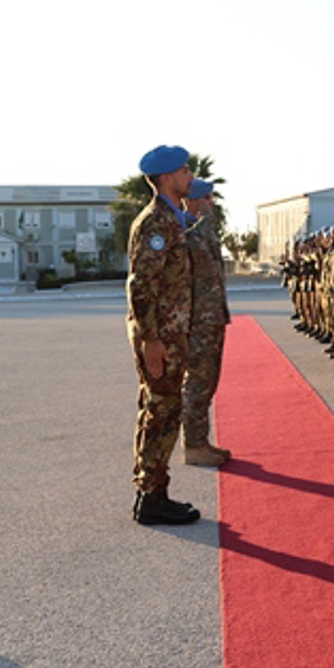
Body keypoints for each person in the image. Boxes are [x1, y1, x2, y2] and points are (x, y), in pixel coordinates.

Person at [126, 145, 202, 526]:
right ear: (167, 177)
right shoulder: (156, 222)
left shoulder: (172, 219)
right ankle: (152, 497)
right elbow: (141, 285)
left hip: (170, 332)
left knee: (163, 410)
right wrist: (150, 340)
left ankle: (154, 492)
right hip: (161, 335)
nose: (191, 175)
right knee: (160, 411)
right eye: (185, 170)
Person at [180, 178, 232, 466]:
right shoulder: (188, 232)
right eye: (208, 199)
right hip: (198, 320)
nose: (213, 204)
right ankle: (194, 445)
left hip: (211, 318)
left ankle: (201, 440)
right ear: (196, 200)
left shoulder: (204, 232)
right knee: (198, 383)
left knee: (208, 381)